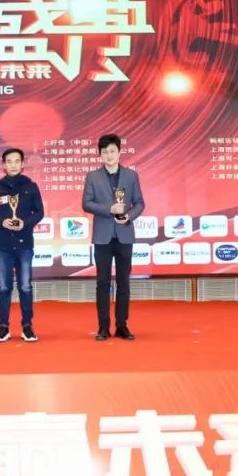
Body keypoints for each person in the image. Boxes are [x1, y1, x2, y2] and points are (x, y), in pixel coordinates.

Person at [82, 134, 145, 341]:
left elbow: (140, 203)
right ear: (100, 155)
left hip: (124, 234)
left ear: (119, 152)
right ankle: (103, 328)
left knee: (124, 283)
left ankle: (122, 326)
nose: (109, 155)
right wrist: (109, 209)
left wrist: (129, 216)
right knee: (102, 283)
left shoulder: (131, 176)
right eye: (104, 152)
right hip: (103, 237)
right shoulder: (93, 177)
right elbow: (86, 204)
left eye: (112, 151)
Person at [0, 147, 45, 343]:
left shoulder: (31, 186)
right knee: (4, 287)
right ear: (3, 165)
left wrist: (24, 223)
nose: (13, 165)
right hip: (3, 245)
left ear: (22, 164)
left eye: (17, 161)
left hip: (25, 243)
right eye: (9, 161)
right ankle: (3, 327)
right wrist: (2, 222)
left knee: (25, 286)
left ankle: (27, 326)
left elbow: (39, 212)